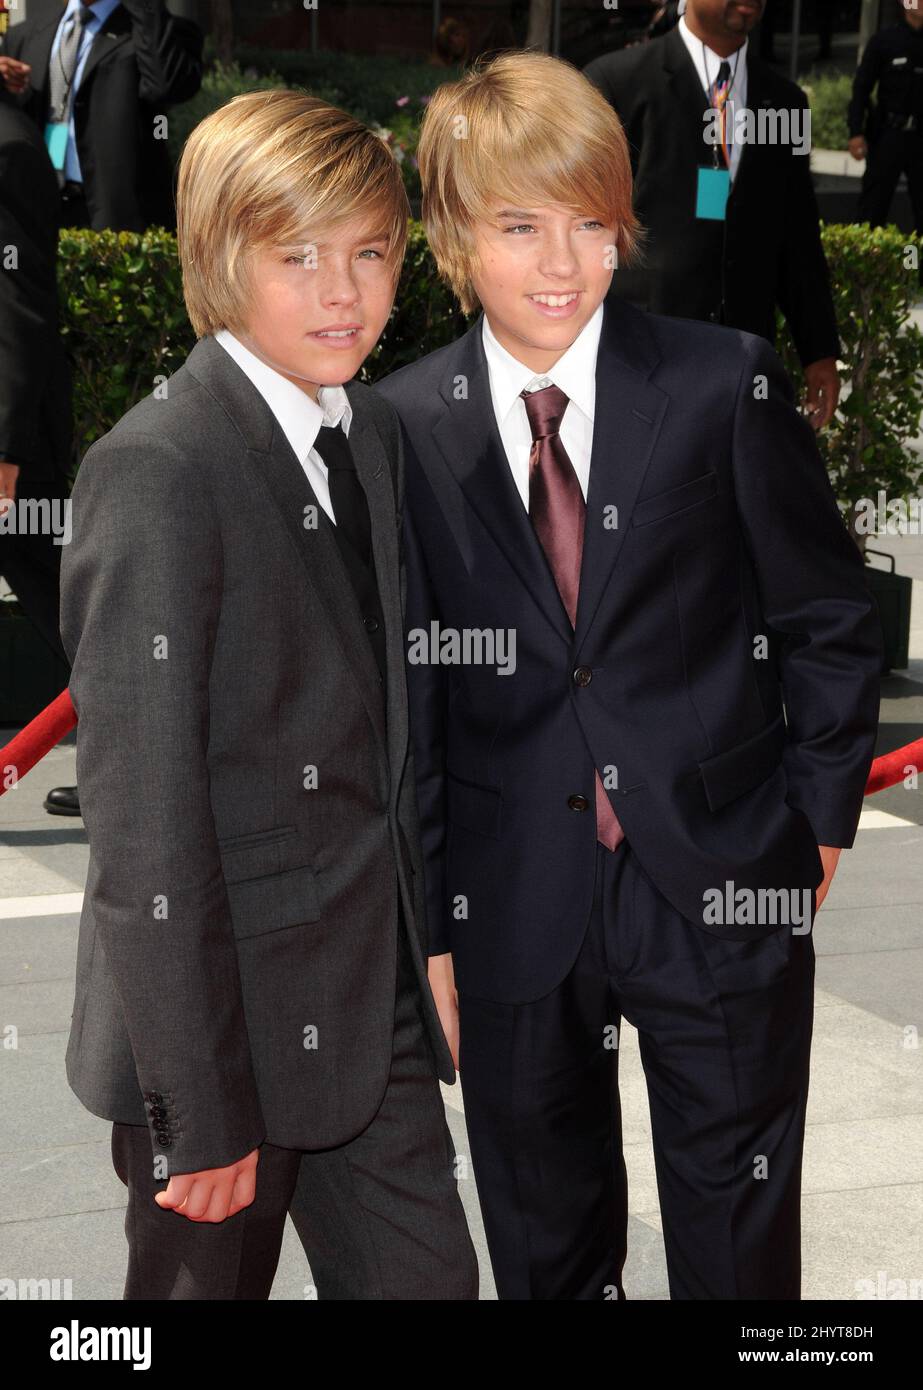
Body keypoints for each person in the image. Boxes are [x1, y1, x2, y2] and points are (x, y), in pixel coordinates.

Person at [375, 50, 883, 1300]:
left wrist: (814, 822)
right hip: (508, 900)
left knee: (736, 1236)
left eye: (592, 225)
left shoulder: (720, 382)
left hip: (719, 874)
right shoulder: (401, 426)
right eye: (519, 226)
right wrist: (431, 920)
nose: (562, 263)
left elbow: (821, 610)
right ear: (449, 237)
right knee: (545, 1244)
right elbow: (413, 700)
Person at [58, 89, 478, 1301]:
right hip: (223, 1029)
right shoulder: (159, 465)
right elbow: (141, 824)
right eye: (296, 257)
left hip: (372, 1010)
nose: (341, 292)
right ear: (216, 257)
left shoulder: (368, 433)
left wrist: (426, 948)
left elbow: (389, 732)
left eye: (366, 255)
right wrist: (198, 1104)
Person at [584, 0, 842, 431]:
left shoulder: (786, 102)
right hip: (637, 353)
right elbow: (579, 224)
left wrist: (819, 351)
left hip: (742, 362)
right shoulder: (614, 82)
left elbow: (798, 239)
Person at [0, 0, 202, 232]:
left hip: (120, 222)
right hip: (42, 213)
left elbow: (168, 87)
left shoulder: (156, 30)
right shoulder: (24, 34)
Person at [0, 102, 72, 680]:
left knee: (66, 606)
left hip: (14, 445)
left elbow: (19, 304)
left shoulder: (9, 148)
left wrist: (7, 451)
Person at [849, 0, 923, 259]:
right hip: (888, 135)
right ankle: (864, 267)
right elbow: (861, 87)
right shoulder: (885, 41)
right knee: (873, 207)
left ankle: (915, 270)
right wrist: (855, 131)